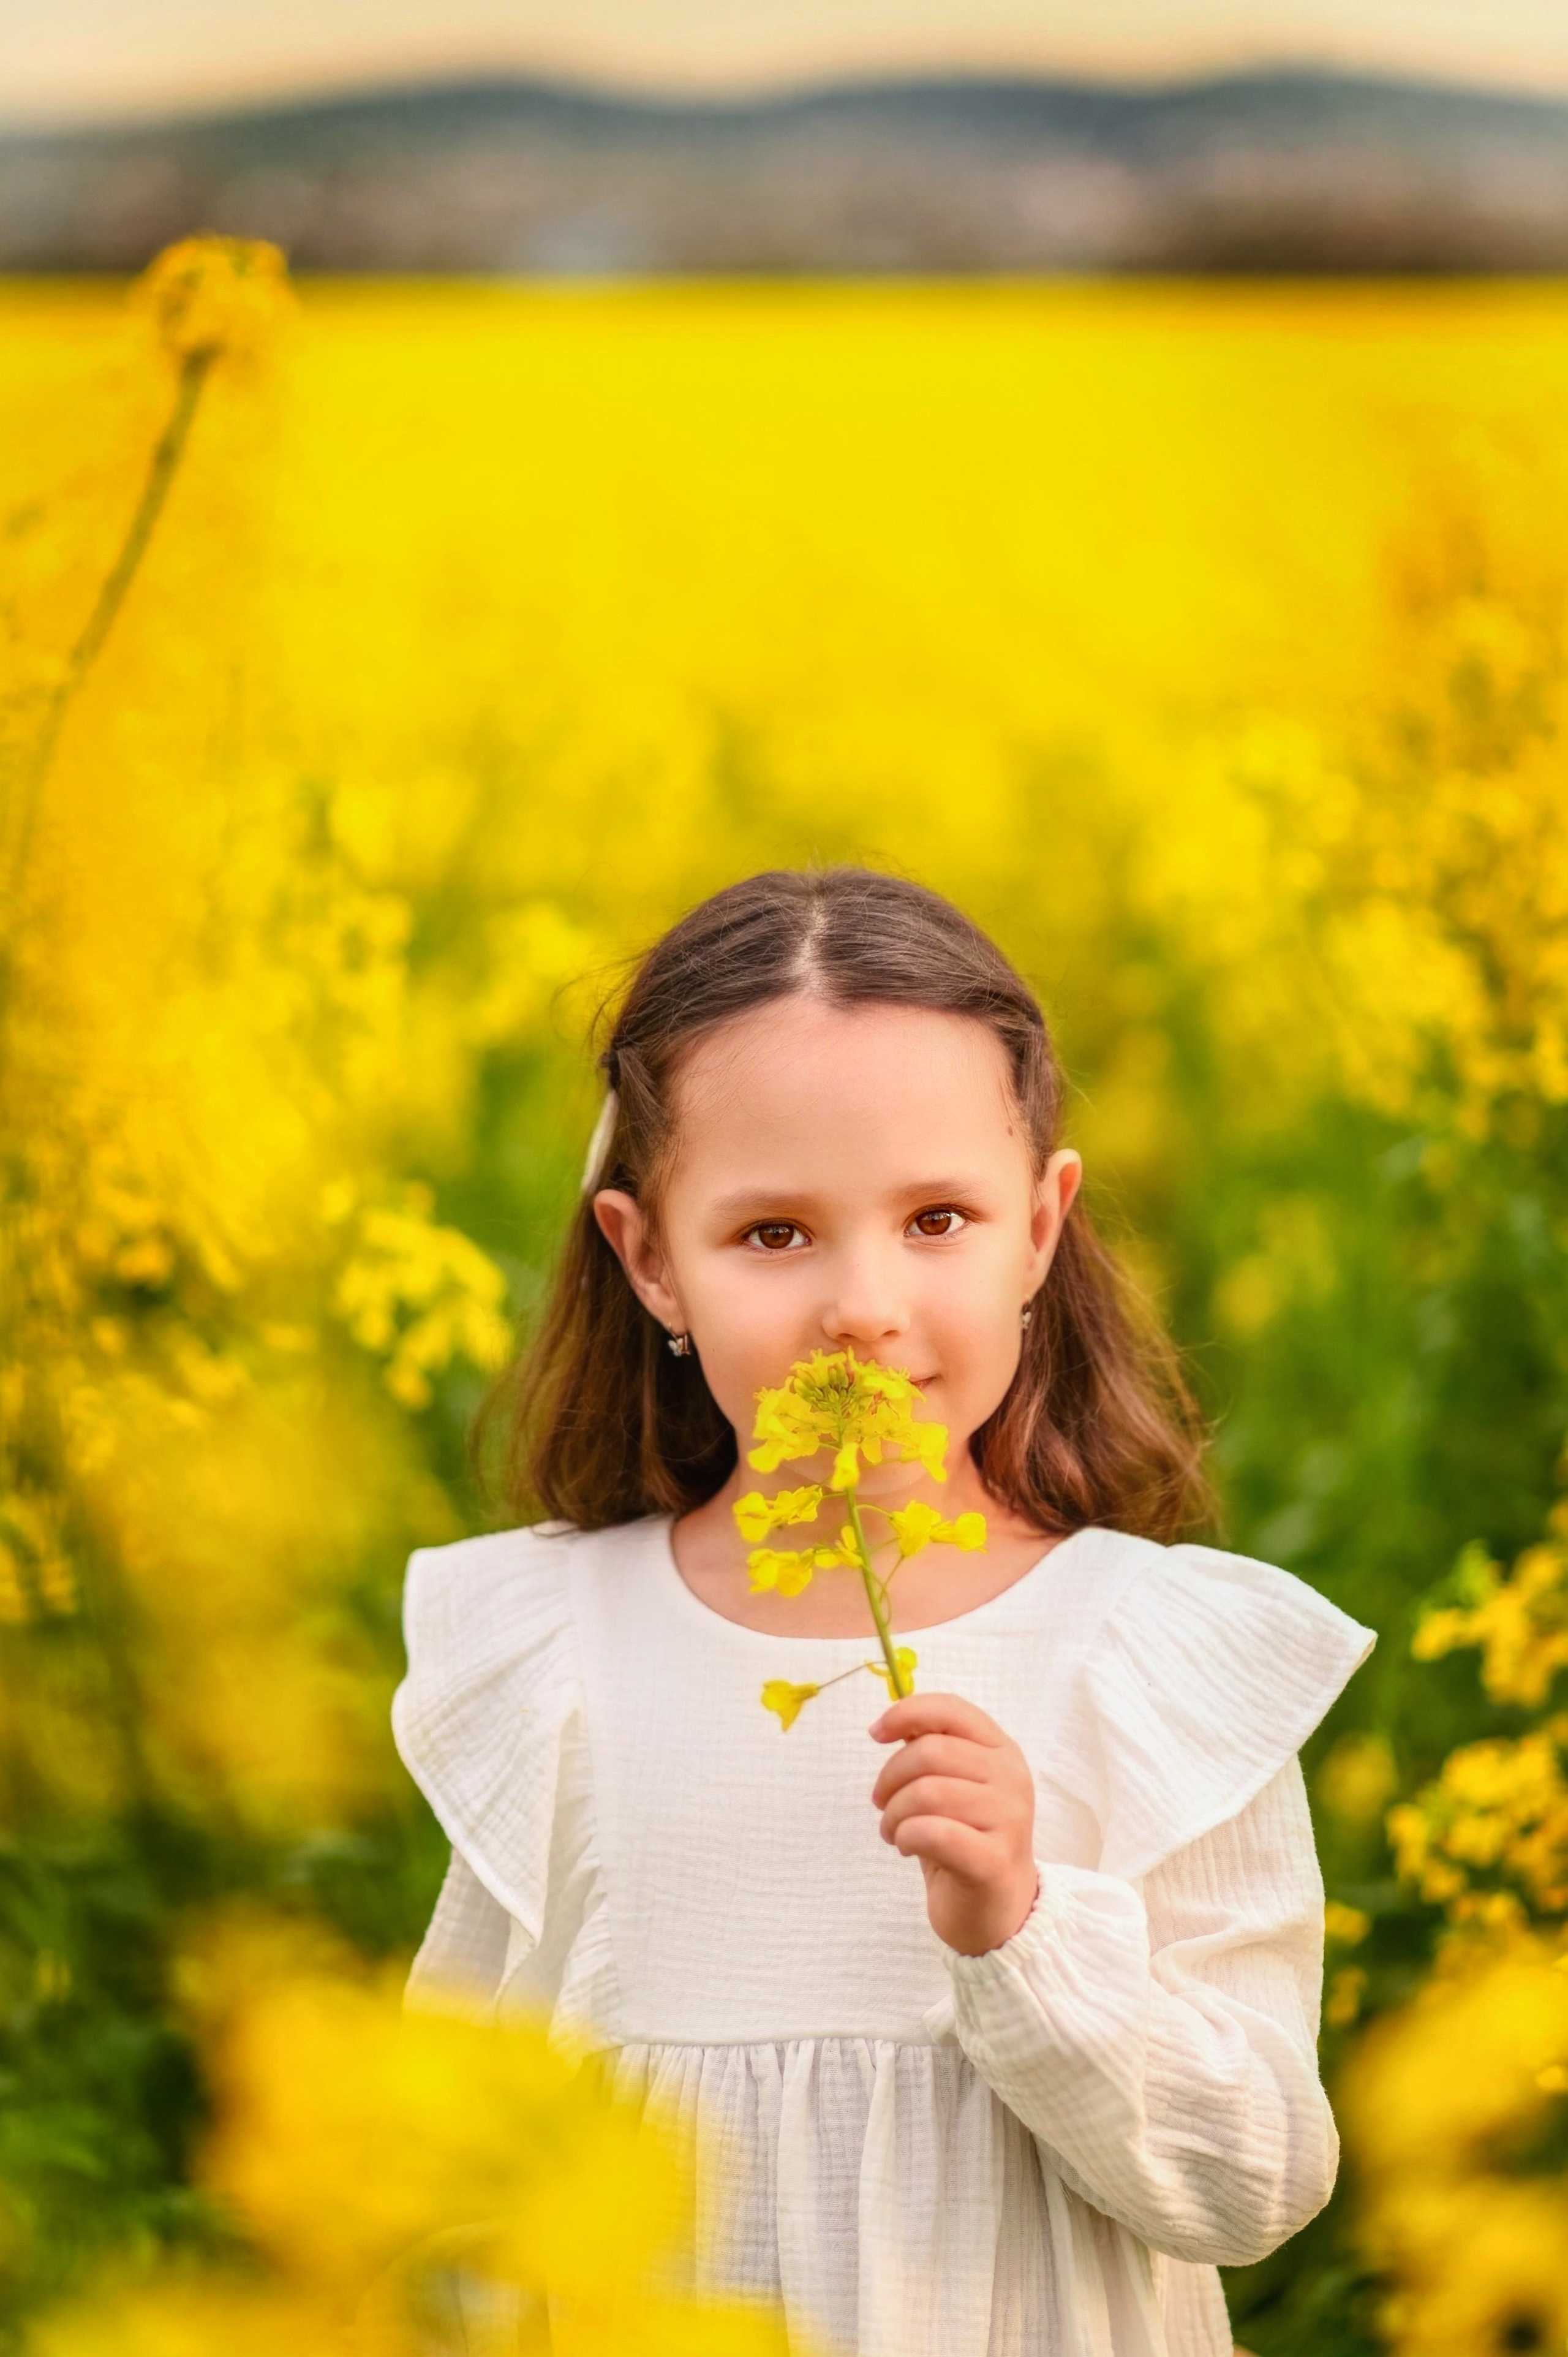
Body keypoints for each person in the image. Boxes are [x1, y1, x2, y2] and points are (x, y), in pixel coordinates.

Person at [391, 866, 1375, 2357]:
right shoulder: (558, 1648)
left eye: (935, 1218)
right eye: (773, 1234)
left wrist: (1024, 1931)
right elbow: (444, 2173)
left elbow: (1252, 2186)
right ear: (648, 1255)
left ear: (1039, 1229)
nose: (860, 1303)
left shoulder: (1145, 1651)